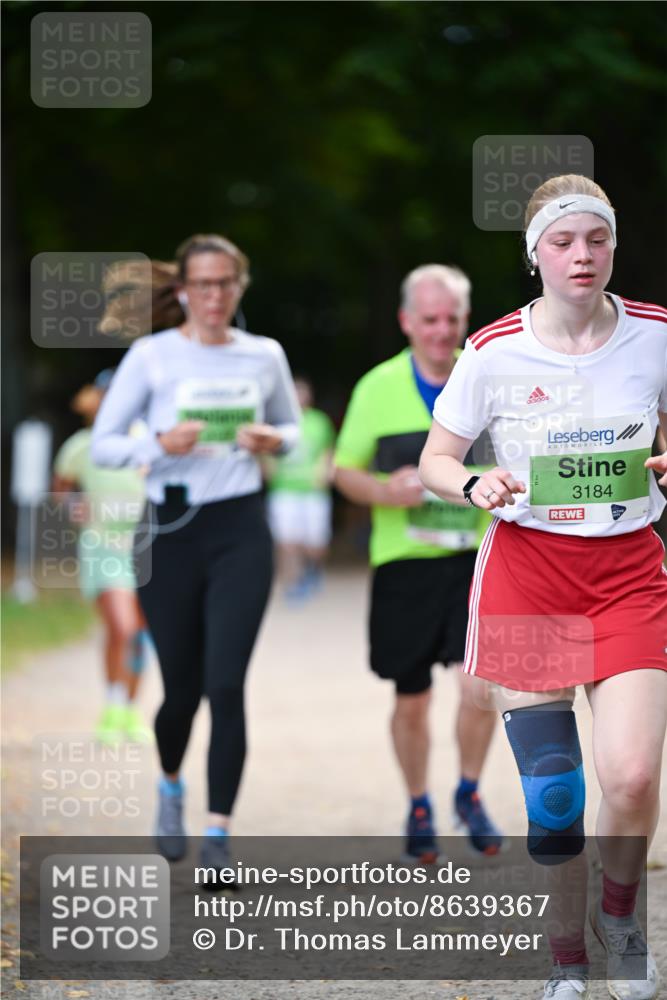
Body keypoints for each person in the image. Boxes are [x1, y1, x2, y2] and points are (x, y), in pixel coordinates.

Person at [420, 175, 666, 1000]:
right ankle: (566, 960)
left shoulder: (655, 335)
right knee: (555, 795)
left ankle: (619, 920)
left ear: (612, 246)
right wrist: (471, 483)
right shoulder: (493, 350)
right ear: (535, 255)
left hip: (627, 575)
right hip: (528, 578)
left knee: (631, 777)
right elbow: (435, 458)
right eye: (562, 242)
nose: (581, 255)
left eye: (596, 239)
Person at [91, 234, 301, 876]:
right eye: (203, 284)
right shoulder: (151, 356)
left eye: (225, 283)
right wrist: (158, 443)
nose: (215, 295)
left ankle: (218, 834)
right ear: (183, 291)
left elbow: (293, 430)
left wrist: (272, 439)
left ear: (240, 287)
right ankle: (170, 785)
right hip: (168, 530)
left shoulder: (263, 355)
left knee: (225, 684)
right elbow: (103, 444)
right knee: (181, 690)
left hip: (240, 528)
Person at [333, 264, 504, 863]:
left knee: (479, 686)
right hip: (404, 564)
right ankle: (418, 803)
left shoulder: (485, 377)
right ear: (406, 321)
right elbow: (343, 470)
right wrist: (384, 491)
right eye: (429, 319)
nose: (441, 330)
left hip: (476, 558)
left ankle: (469, 792)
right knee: (412, 698)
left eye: (452, 318)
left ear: (465, 319)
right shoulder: (376, 387)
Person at [52, 370, 152, 744]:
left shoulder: (147, 441)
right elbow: (61, 490)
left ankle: (130, 709)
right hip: (102, 544)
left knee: (141, 634)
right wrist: (73, 505)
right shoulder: (82, 445)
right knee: (122, 627)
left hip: (144, 545)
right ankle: (113, 704)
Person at [266, 376, 336, 603]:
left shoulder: (319, 421)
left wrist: (325, 472)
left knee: (316, 542)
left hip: (313, 490)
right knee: (287, 540)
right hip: (284, 489)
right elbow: (265, 452)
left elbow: (328, 450)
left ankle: (313, 570)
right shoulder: (276, 421)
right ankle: (293, 581)